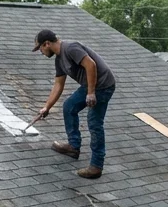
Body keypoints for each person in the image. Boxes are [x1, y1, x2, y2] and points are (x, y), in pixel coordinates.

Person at [31, 29, 117, 179]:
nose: (41, 52)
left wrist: (91, 93)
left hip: (103, 85)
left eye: (40, 49)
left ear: (47, 44)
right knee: (69, 107)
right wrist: (46, 107)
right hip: (89, 85)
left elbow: (91, 65)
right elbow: (58, 85)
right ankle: (73, 147)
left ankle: (96, 166)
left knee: (94, 123)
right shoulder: (59, 60)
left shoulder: (70, 48)